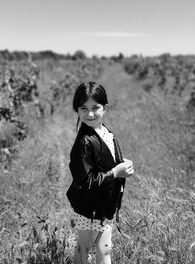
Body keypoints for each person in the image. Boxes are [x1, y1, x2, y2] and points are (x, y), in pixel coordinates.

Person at [66, 82, 134, 264]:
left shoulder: (105, 131)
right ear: (77, 110)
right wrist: (115, 172)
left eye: (95, 107)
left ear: (105, 108)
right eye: (83, 108)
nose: (89, 114)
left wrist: (121, 165)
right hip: (89, 208)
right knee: (84, 249)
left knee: (105, 250)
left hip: (103, 205)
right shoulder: (84, 142)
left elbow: (104, 159)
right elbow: (86, 181)